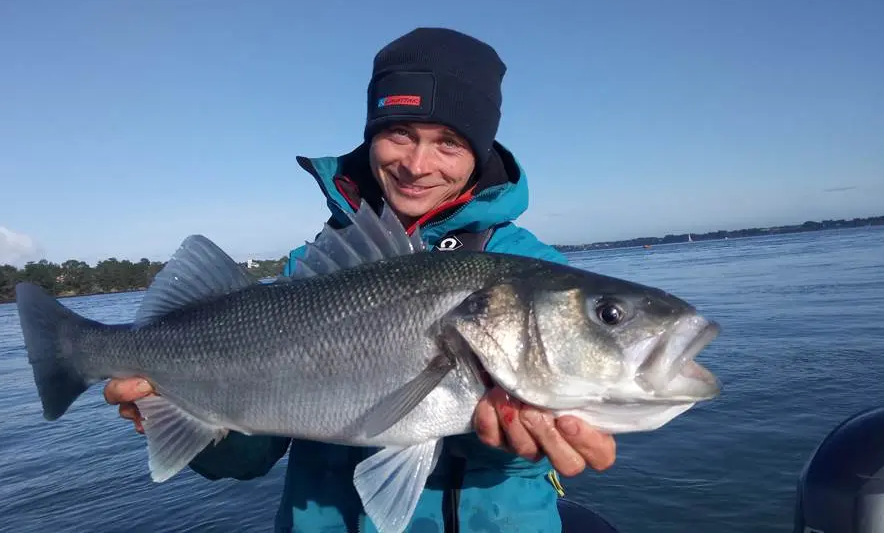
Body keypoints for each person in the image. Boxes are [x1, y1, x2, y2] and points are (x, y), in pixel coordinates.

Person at [103, 27, 617, 532]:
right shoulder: (310, 266)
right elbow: (246, 458)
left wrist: (536, 443)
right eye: (401, 133)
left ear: (479, 153)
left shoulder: (533, 272)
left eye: (449, 143)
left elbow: (573, 420)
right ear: (372, 134)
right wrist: (182, 414)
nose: (418, 164)